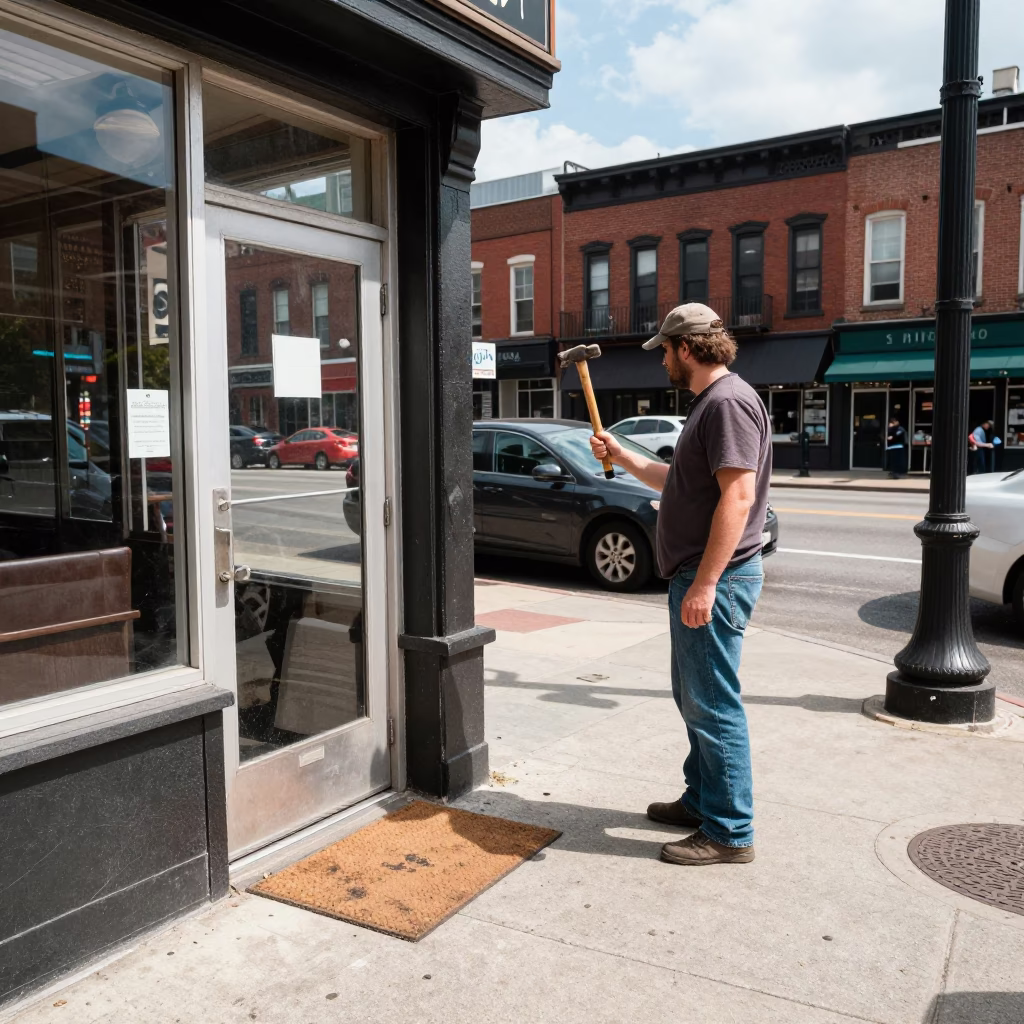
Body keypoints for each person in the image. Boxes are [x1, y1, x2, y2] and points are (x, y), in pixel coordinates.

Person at [589, 302, 771, 866]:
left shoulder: (727, 405)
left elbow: (738, 499)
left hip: (714, 575)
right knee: (694, 699)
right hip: (699, 573)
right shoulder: (711, 404)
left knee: (713, 704)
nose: (662, 360)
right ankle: (703, 800)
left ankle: (729, 832)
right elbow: (679, 482)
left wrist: (706, 583)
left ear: (686, 349)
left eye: (665, 350)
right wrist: (623, 454)